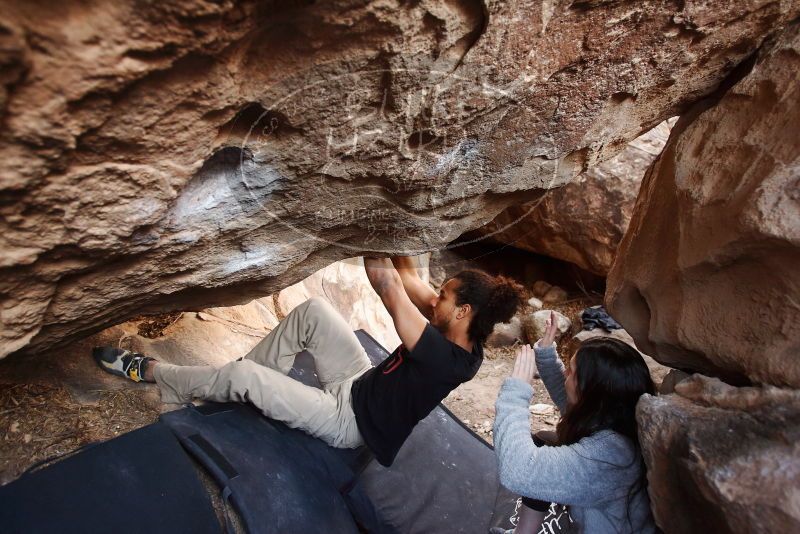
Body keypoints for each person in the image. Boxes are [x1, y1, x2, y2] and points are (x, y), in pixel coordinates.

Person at [94, 256, 523, 467]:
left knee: (244, 375)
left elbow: (388, 283)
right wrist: (405, 221)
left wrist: (373, 215)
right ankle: (238, 388)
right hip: (359, 382)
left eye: (445, 296)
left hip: (348, 422)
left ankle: (154, 374)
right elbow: (411, 277)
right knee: (314, 312)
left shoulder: (441, 358)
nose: (436, 298)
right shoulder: (467, 337)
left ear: (463, 311)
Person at [492, 312, 657, 533]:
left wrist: (516, 393)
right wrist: (547, 354)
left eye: (571, 372)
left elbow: (518, 469)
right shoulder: (619, 417)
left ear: (590, 393)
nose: (566, 374)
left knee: (540, 457)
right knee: (544, 440)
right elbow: (571, 399)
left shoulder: (607, 459)